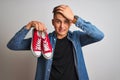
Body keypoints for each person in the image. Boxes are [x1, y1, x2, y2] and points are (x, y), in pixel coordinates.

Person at [7, 4, 104, 80]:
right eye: (58, 21)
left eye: (66, 21)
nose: (62, 26)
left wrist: (75, 19)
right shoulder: (42, 40)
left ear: (70, 23)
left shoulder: (76, 37)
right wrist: (29, 25)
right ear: (53, 22)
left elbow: (99, 35)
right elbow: (13, 45)